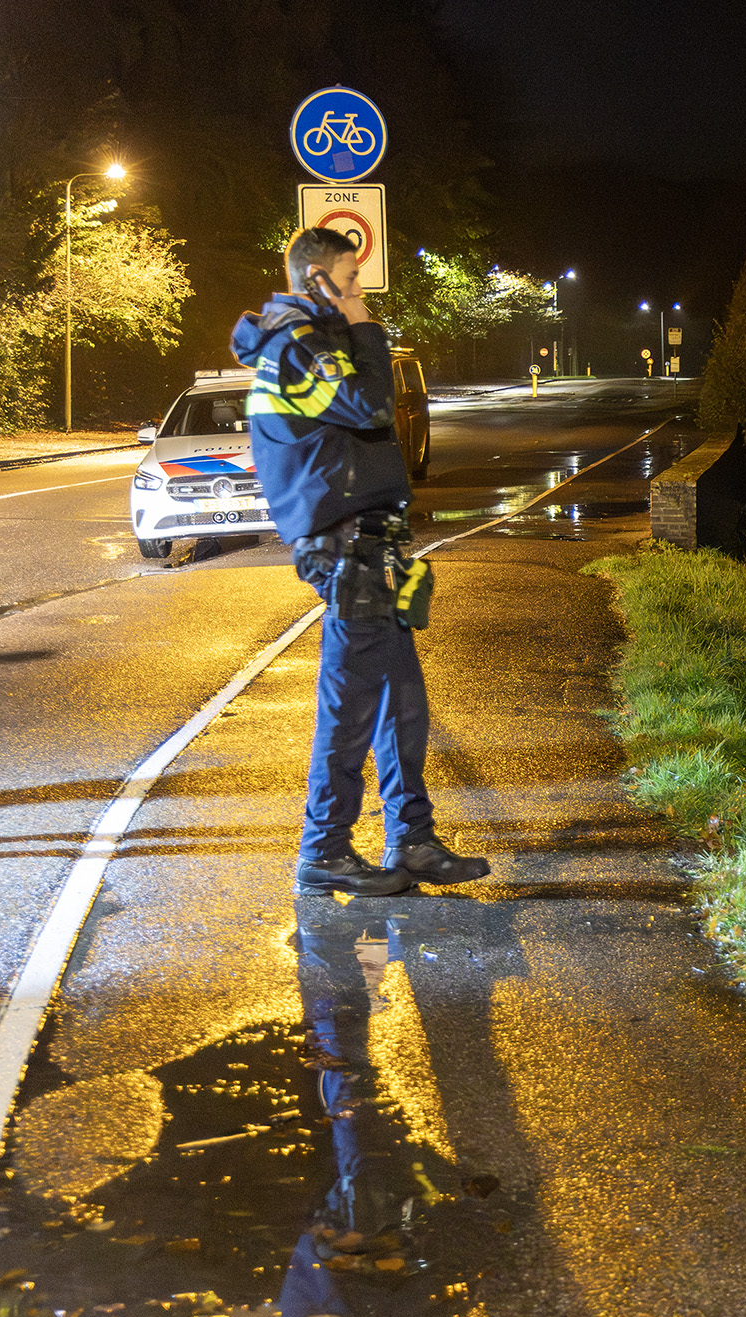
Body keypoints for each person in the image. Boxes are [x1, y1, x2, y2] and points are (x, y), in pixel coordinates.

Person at [233, 227, 489, 897]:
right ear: (315, 279)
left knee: (401, 703)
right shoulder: (297, 348)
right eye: (350, 283)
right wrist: (363, 327)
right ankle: (324, 848)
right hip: (345, 549)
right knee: (348, 708)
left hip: (371, 544)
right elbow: (374, 405)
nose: (360, 296)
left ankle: (413, 839)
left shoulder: (316, 342)